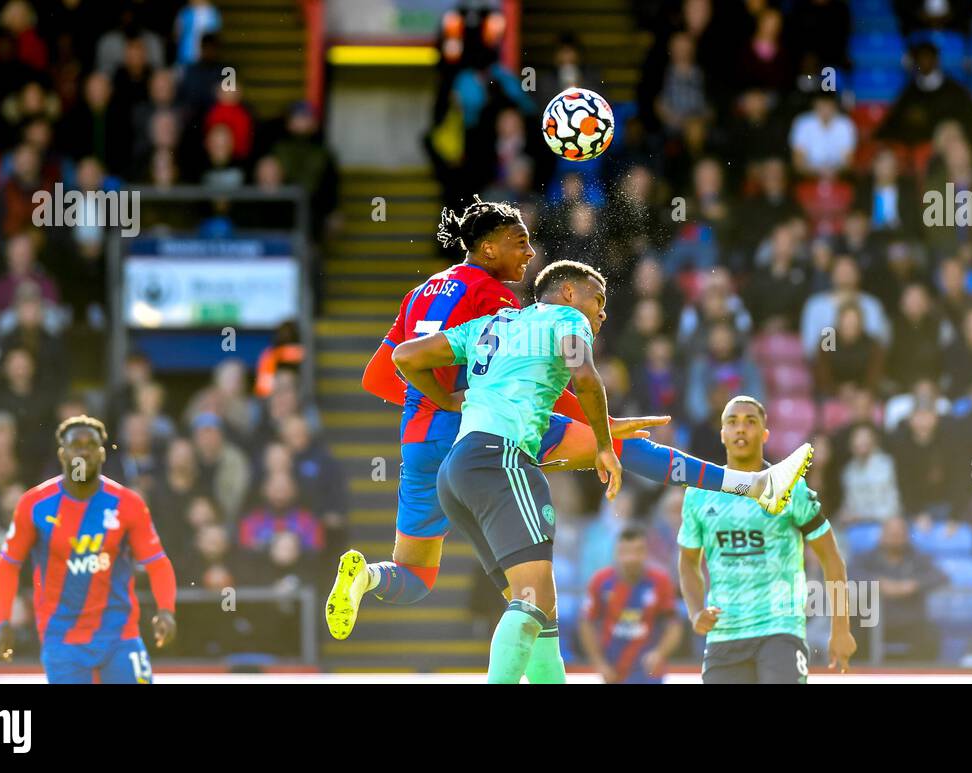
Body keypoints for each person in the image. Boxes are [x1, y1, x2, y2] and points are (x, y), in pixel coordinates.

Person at [327, 200, 814, 642]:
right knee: (624, 448)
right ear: (488, 246)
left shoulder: (419, 293)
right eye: (520, 243)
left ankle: (367, 577)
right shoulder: (496, 298)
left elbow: (380, 375)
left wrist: (437, 400)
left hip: (418, 443)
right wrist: (596, 423)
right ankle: (752, 485)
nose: (528, 253)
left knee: (416, 577)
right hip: (482, 432)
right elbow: (529, 382)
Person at [396, 262, 813, 683]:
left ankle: (756, 484)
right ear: (570, 294)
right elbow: (587, 380)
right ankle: (756, 484)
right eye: (598, 299)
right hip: (501, 459)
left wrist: (449, 401)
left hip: (456, 472)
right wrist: (601, 442)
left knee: (542, 614)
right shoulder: (567, 318)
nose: (602, 313)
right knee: (530, 605)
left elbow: (406, 356)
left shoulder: (493, 324)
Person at [677, 395, 854, 683]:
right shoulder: (699, 492)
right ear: (722, 434)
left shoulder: (790, 488)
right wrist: (696, 611)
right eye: (732, 422)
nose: (741, 429)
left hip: (780, 629)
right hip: (725, 633)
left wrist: (841, 629)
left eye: (750, 422)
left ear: (765, 433)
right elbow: (687, 562)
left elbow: (831, 557)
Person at [0, 416, 177, 683]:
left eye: (91, 444)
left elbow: (157, 562)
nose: (83, 451)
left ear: (102, 454)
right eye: (75, 444)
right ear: (62, 453)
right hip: (62, 640)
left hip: (120, 636)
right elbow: (8, 564)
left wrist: (166, 611)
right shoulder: (35, 504)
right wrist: (2, 623)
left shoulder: (128, 504)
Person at [578, 526, 683, 684]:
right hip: (613, 670)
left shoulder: (661, 581)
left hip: (649, 672)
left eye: (638, 551)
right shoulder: (600, 581)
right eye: (625, 551)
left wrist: (659, 653)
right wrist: (599, 663)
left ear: (646, 553)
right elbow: (586, 622)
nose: (631, 558)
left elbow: (674, 625)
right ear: (616, 553)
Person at [848, 516, 948, 661]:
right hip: (870, 622)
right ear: (882, 535)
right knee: (850, 636)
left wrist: (913, 585)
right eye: (891, 534)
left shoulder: (917, 558)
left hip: (909, 621)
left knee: (930, 635)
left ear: (906, 536)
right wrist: (878, 583)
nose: (895, 538)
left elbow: (940, 576)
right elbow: (849, 573)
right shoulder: (866, 557)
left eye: (899, 534)